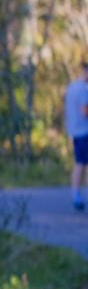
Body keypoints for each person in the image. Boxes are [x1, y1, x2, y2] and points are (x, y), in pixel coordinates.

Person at [65, 60, 88, 211]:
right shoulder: (83, 89)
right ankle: (76, 196)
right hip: (84, 132)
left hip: (75, 131)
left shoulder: (71, 87)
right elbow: (85, 111)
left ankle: (76, 194)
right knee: (81, 163)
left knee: (80, 162)